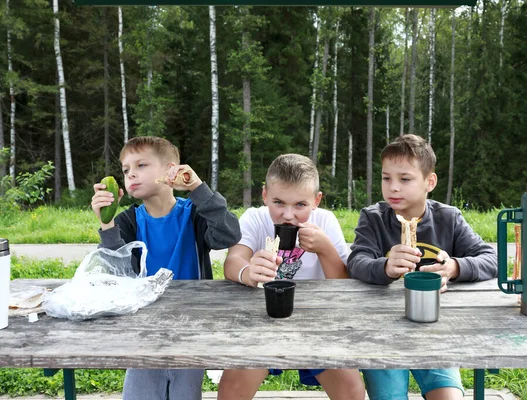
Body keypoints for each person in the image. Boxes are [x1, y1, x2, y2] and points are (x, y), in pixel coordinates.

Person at [347, 134, 497, 400]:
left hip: (436, 332)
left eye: (404, 179)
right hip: (381, 334)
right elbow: (357, 262)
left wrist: (454, 267)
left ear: (430, 182)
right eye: (386, 178)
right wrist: (385, 268)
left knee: (449, 397)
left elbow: (490, 258)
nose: (393, 187)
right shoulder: (373, 219)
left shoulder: (447, 218)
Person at [91, 136, 241, 400]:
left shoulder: (194, 214)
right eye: (126, 170)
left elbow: (228, 234)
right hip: (142, 327)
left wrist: (198, 190)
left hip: (190, 326)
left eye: (141, 165)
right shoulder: (127, 221)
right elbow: (116, 272)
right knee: (140, 392)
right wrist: (106, 223)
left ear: (171, 169)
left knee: (185, 393)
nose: (131, 174)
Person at [217, 154, 365, 400]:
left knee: (352, 390)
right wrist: (248, 272)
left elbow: (343, 284)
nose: (288, 215)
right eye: (278, 202)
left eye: (300, 205)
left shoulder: (325, 221)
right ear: (265, 195)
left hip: (318, 323)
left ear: (316, 201)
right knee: (231, 387)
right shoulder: (254, 218)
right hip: (261, 321)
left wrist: (325, 249)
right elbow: (233, 261)